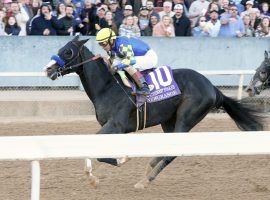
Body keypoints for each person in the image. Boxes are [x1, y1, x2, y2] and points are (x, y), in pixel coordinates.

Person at [96, 28, 158, 95]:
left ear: (111, 40)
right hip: (137, 56)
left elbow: (131, 60)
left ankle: (145, 88)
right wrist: (102, 59)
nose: (102, 47)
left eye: (103, 44)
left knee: (127, 65)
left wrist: (117, 67)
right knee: (114, 64)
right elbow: (111, 62)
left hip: (149, 57)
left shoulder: (122, 45)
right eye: (100, 44)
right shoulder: (113, 46)